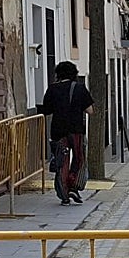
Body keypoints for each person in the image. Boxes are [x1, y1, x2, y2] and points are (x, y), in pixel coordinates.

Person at [38, 61, 94, 205]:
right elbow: (90, 111)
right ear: (73, 74)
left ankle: (63, 194)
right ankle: (74, 185)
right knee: (79, 158)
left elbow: (47, 110)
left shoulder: (52, 89)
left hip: (58, 131)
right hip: (76, 130)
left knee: (61, 161)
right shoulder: (80, 88)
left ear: (58, 74)